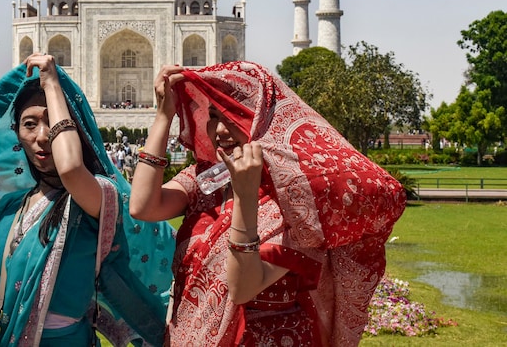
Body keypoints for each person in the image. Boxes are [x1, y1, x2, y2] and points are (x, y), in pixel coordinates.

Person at [0, 54, 174, 346]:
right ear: (16, 134)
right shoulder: (12, 208)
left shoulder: (96, 198)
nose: (43, 136)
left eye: (53, 121)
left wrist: (52, 85)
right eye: (30, 124)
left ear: (73, 129)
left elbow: (72, 169)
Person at [130, 61, 407, 346]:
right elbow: (143, 206)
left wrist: (246, 197)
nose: (221, 130)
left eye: (234, 116)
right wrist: (164, 115)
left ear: (262, 121)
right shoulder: (209, 179)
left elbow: (243, 287)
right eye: (213, 115)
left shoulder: (294, 199)